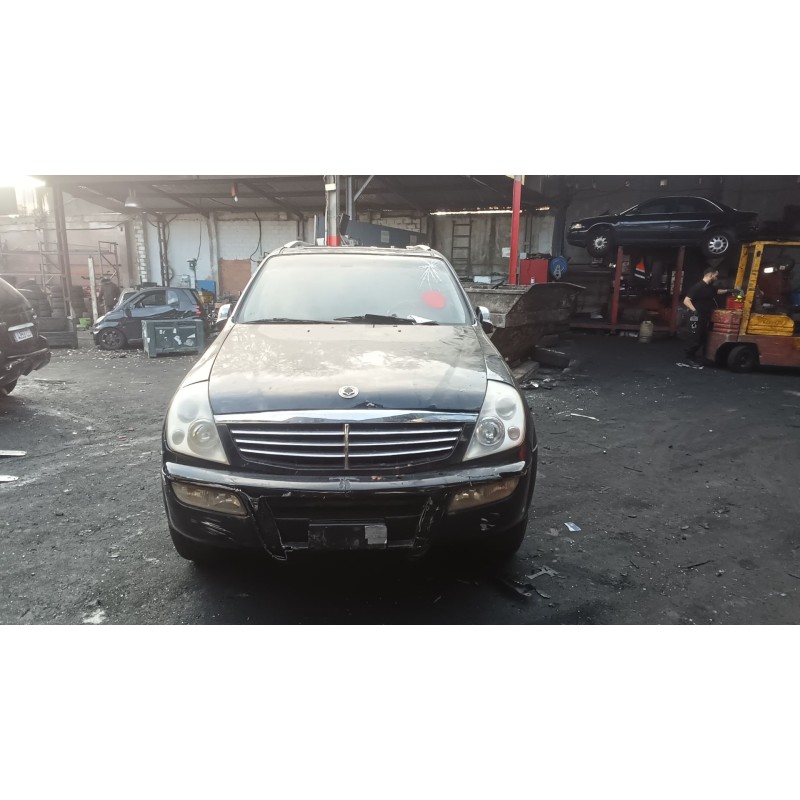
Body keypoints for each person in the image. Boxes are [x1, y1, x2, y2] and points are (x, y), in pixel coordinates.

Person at [683, 266, 728, 364]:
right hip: (694, 316)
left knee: (702, 337)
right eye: (715, 276)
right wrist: (694, 310)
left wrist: (729, 291)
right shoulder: (697, 287)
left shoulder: (710, 288)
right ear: (710, 275)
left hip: (704, 316)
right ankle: (688, 358)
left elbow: (717, 291)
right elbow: (686, 300)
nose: (716, 278)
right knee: (694, 336)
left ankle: (694, 356)